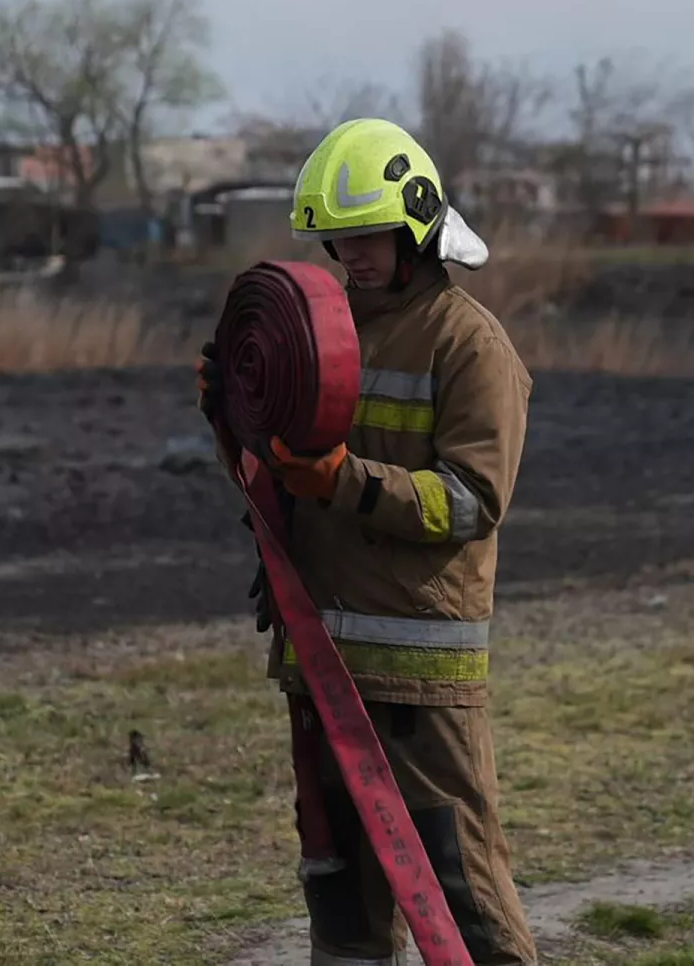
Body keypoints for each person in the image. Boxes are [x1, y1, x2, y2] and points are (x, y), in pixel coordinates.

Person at [197, 118, 538, 966]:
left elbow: (473, 501)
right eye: (337, 241)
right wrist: (233, 417)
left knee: (461, 894)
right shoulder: (321, 336)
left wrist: (344, 480)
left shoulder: (470, 344)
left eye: (368, 238)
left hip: (418, 681)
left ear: (419, 225)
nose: (351, 257)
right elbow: (282, 485)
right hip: (322, 664)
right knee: (340, 899)